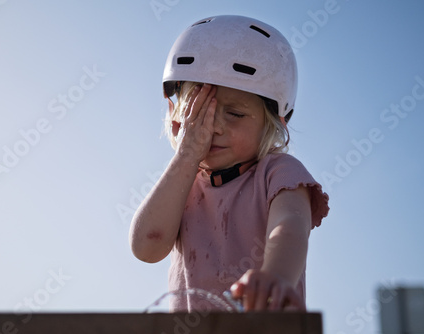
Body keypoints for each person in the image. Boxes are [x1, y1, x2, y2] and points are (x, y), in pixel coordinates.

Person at [129, 15, 329, 312]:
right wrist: (185, 156)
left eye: (234, 114)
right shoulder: (184, 184)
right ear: (175, 119)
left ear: (274, 123)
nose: (215, 128)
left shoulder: (278, 173)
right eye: (199, 114)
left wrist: (275, 277)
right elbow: (147, 246)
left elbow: (288, 228)